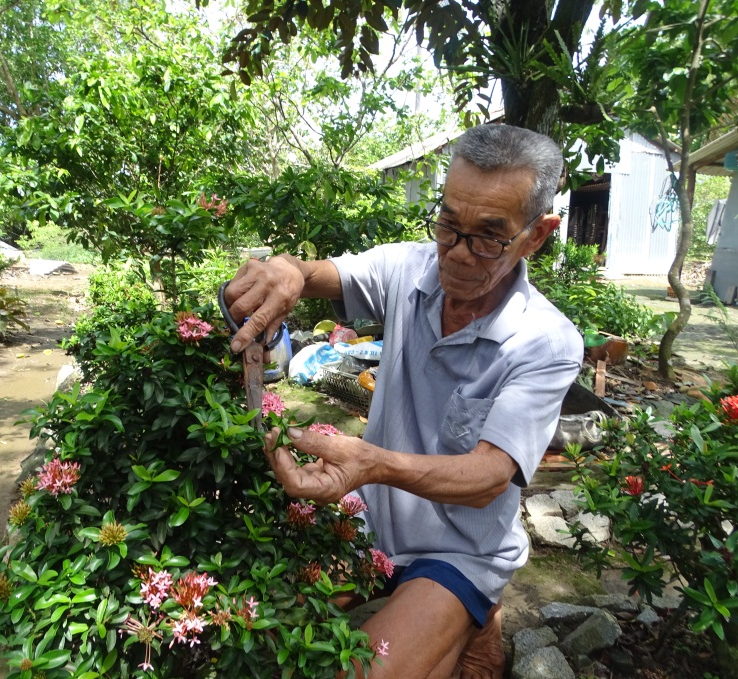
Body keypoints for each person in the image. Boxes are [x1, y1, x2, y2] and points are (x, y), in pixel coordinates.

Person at [224, 124, 584, 678]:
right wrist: (283, 271)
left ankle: (474, 606)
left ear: (537, 235)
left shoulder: (546, 341)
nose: (458, 254)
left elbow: (489, 475)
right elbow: (314, 274)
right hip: (371, 528)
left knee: (360, 671)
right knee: (254, 626)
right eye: (448, 223)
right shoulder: (407, 268)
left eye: (489, 236)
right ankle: (461, 623)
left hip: (459, 550)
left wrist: (370, 464)